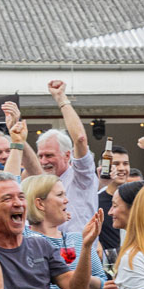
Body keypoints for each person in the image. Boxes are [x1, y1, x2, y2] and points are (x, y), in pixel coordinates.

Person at [37, 81, 97, 234]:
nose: (44, 161)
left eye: (49, 155)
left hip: (79, 247)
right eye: (40, 156)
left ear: (67, 155)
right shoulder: (39, 182)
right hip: (48, 247)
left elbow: (80, 139)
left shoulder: (81, 177)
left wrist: (61, 99)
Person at [97, 145, 132, 251]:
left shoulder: (138, 198)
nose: (122, 168)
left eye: (125, 163)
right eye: (116, 164)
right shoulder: (96, 201)